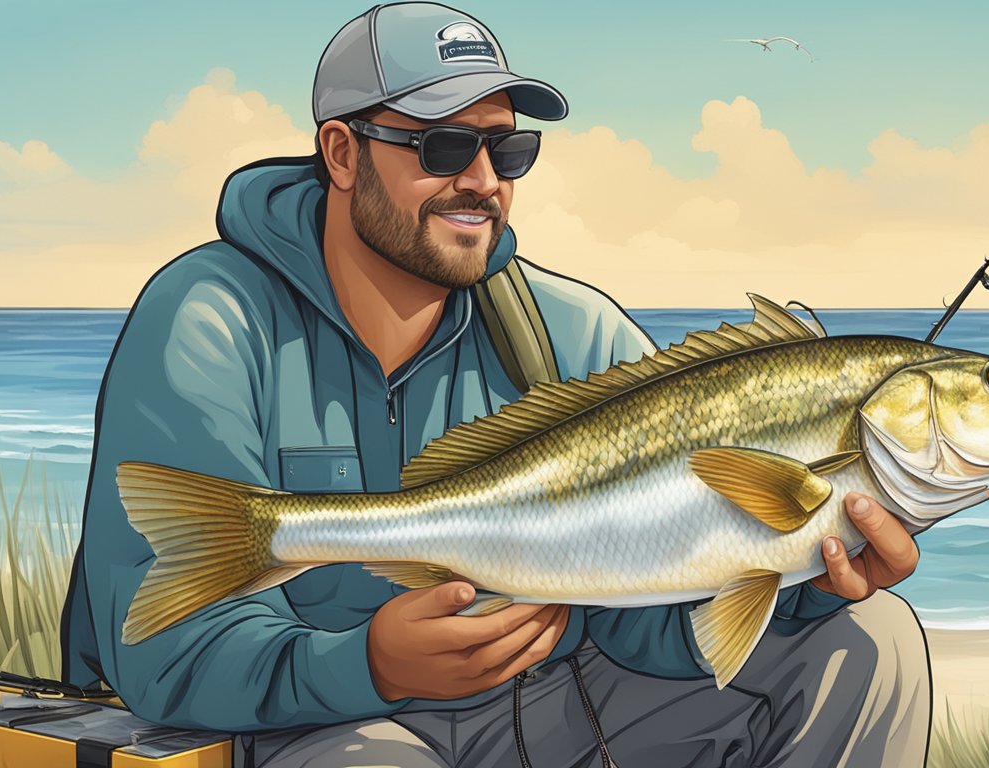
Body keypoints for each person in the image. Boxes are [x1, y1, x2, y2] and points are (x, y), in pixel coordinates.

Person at [59, 3, 931, 766]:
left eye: (507, 149)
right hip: (327, 725)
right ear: (341, 153)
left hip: (557, 707)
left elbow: (645, 614)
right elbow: (162, 649)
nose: (482, 181)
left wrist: (798, 586)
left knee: (871, 643)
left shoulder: (574, 331)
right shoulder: (209, 317)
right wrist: (367, 665)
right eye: (443, 146)